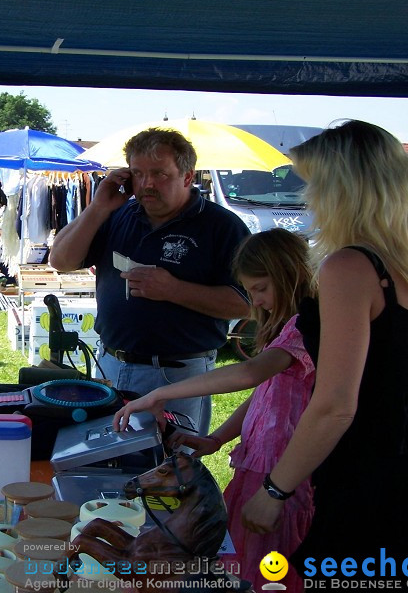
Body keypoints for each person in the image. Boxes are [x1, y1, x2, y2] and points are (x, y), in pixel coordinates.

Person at [240, 121, 408, 589]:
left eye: (316, 184)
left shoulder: (350, 266)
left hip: (372, 480)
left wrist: (274, 489)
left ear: (343, 189)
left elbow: (337, 403)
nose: (310, 197)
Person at [113, 228, 316, 593]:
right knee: (240, 559)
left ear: (290, 274)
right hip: (257, 465)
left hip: (283, 473)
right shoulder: (287, 329)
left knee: (269, 569)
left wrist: (159, 393)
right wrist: (218, 438)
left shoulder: (306, 329)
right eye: (250, 291)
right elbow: (264, 394)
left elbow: (250, 374)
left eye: (261, 288)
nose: (256, 300)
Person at [49, 127, 250, 435]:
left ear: (187, 176)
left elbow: (246, 304)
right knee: (108, 462)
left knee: (170, 470)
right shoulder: (117, 214)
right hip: (112, 364)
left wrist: (174, 290)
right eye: (138, 173)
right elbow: (60, 261)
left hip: (179, 375)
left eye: (160, 173)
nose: (147, 184)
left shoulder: (222, 227)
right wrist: (99, 207)